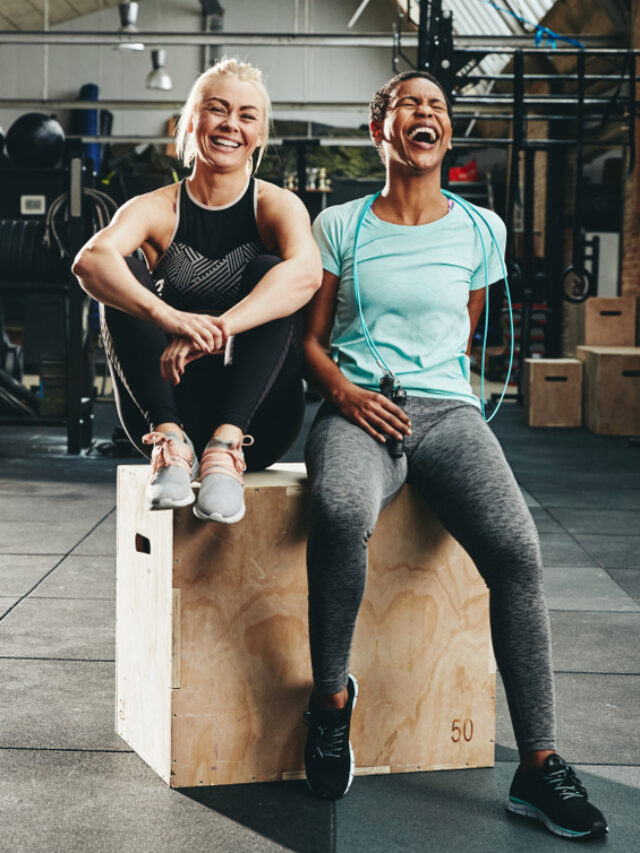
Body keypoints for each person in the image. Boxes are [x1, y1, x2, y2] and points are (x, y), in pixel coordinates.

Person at [301, 70, 608, 841]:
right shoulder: (337, 223)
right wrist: (347, 396)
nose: (427, 112)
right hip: (359, 406)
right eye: (411, 103)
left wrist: (433, 393)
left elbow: (463, 330)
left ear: (447, 131)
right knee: (339, 511)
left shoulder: (482, 229)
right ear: (383, 129)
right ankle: (331, 701)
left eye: (438, 105)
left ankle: (538, 764)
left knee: (517, 552)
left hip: (448, 412)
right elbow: (308, 341)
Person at [73, 58, 321, 523]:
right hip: (169, 409)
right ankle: (170, 444)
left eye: (247, 115)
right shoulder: (155, 209)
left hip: (258, 423)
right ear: (191, 121)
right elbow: (89, 261)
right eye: (217, 109)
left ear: (260, 135)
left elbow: (307, 274)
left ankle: (225, 449)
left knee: (277, 271)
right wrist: (172, 318)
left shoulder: (276, 205)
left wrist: (219, 329)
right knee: (118, 270)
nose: (231, 124)